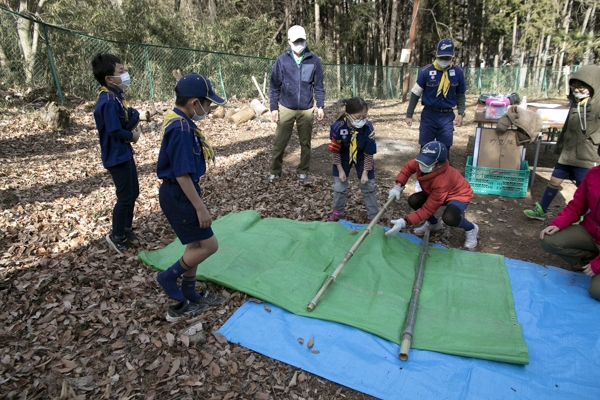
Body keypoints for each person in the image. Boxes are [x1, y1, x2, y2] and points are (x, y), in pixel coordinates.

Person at [155, 73, 226, 322]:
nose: (209, 109)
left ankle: (189, 291)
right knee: (209, 245)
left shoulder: (182, 122)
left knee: (195, 245)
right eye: (208, 104)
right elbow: (182, 174)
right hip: (179, 194)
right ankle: (167, 277)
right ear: (195, 103)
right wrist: (200, 207)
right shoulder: (181, 129)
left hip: (181, 192)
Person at [524, 65, 600, 220]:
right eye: (575, 89)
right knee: (554, 180)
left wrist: (594, 139)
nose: (577, 92)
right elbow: (567, 127)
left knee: (585, 188)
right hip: (568, 153)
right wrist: (560, 145)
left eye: (582, 89)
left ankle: (587, 218)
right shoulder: (575, 104)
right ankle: (542, 210)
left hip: (586, 155)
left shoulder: (597, 105)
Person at [385, 141, 479, 249]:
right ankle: (434, 224)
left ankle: (471, 229)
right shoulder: (421, 163)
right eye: (421, 161)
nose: (421, 166)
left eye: (426, 164)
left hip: (458, 195)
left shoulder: (443, 180)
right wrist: (398, 186)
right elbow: (407, 168)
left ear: (439, 164)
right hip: (435, 192)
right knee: (414, 200)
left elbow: (428, 209)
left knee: (450, 217)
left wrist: (405, 221)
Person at [91, 54, 140, 255]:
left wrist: (134, 117)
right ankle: (116, 235)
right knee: (125, 196)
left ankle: (126, 229)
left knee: (133, 192)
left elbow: (122, 122)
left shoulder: (117, 97)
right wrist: (132, 135)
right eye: (121, 71)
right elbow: (113, 130)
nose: (125, 74)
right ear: (109, 79)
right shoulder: (107, 101)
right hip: (116, 156)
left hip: (124, 153)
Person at [268, 25, 325, 183]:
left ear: (305, 40)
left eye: (301, 41)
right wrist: (274, 108)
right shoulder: (281, 60)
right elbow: (274, 86)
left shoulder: (314, 60)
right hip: (286, 107)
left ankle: (302, 170)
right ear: (289, 41)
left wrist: (320, 105)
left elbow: (318, 85)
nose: (299, 44)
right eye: (296, 41)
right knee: (280, 142)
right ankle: (275, 171)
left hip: (306, 109)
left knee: (305, 142)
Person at [539, 159, 600, 301]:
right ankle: (588, 258)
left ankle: (593, 263)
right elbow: (577, 205)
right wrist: (558, 223)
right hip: (591, 231)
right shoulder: (594, 173)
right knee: (549, 240)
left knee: (597, 292)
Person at [404, 38, 466, 161]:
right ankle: (422, 177)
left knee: (445, 151)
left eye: (447, 58)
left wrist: (461, 113)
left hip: (447, 116)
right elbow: (416, 93)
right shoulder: (426, 71)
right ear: (435, 53)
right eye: (441, 57)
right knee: (425, 149)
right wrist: (409, 114)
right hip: (429, 115)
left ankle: (443, 178)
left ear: (453, 55)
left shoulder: (458, 72)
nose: (444, 61)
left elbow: (460, 94)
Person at [326, 97, 378, 222]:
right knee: (340, 185)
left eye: (364, 116)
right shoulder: (338, 127)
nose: (362, 120)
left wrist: (365, 173)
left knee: (368, 186)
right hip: (343, 154)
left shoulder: (368, 128)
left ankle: (374, 217)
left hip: (361, 155)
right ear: (348, 115)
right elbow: (335, 150)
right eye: (358, 117)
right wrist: (340, 169)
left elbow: (369, 153)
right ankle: (337, 212)